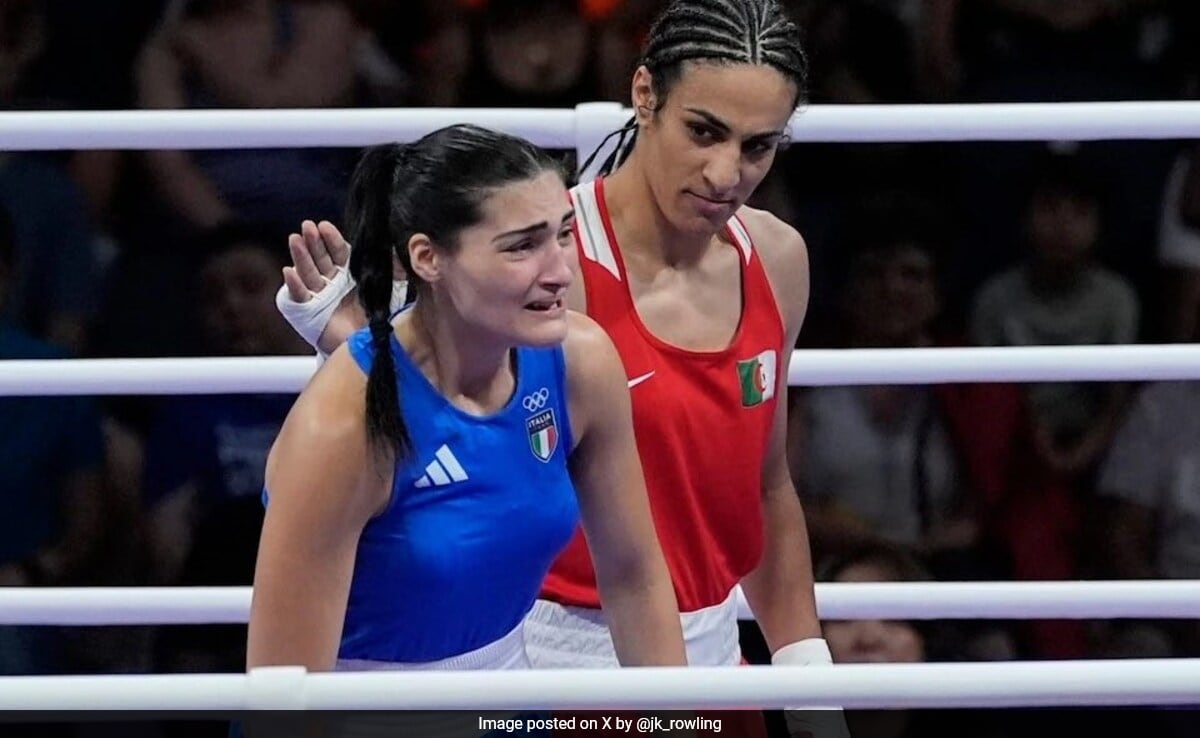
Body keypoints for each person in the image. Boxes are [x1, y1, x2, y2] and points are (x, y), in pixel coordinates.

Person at [276, 2, 843, 734]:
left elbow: (765, 484)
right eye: (703, 131)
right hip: (546, 662)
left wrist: (807, 679)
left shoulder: (777, 259)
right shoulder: (540, 264)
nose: (725, 173)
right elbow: (442, 425)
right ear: (645, 94)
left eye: (759, 146)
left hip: (706, 659)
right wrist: (352, 341)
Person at [247, 125, 686, 679]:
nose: (560, 272)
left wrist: (674, 718)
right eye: (523, 246)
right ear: (428, 258)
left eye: (564, 234)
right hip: (365, 715)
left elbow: (634, 576)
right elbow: (285, 694)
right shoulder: (340, 425)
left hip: (512, 708)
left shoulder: (581, 362)